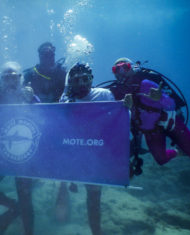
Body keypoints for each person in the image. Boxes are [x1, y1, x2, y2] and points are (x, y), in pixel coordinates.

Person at [0, 61, 39, 235]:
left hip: (25, 156)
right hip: (0, 155)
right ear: (2, 81)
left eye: (14, 77)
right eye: (6, 78)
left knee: (25, 198)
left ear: (21, 78)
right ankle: (15, 207)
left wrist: (32, 99)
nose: (11, 82)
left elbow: (47, 115)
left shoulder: (28, 95)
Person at [60, 62, 118, 235]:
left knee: (93, 197)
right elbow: (58, 126)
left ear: (92, 79)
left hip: (97, 154)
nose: (82, 84)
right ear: (71, 83)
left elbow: (119, 122)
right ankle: (68, 181)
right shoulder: (66, 99)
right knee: (67, 181)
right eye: (77, 80)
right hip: (74, 153)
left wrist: (126, 109)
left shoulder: (104, 94)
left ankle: (96, 232)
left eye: (85, 79)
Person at [108, 57, 190, 166]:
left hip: (170, 123)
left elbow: (171, 105)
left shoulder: (145, 83)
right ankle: (179, 152)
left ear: (132, 68)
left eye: (125, 67)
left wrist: (160, 98)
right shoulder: (116, 91)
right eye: (116, 69)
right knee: (161, 159)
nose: (121, 72)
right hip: (152, 131)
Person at [24, 42, 71, 222]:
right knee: (35, 158)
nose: (48, 56)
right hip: (35, 125)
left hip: (60, 124)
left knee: (61, 161)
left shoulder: (63, 72)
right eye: (44, 53)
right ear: (39, 55)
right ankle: (33, 183)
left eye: (51, 54)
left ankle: (62, 188)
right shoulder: (29, 74)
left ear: (54, 55)